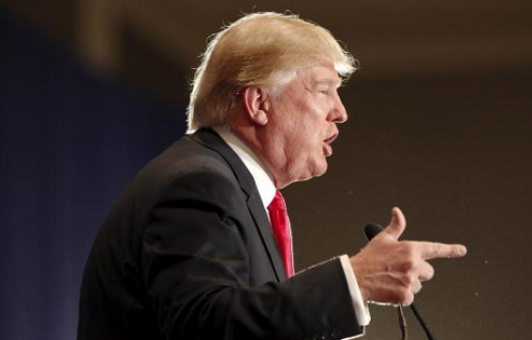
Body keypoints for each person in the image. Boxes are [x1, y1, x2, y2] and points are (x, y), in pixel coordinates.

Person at [77, 12, 467, 340]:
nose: (341, 112)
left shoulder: (230, 186)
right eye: (323, 90)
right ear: (258, 103)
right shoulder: (199, 184)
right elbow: (205, 325)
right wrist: (355, 280)